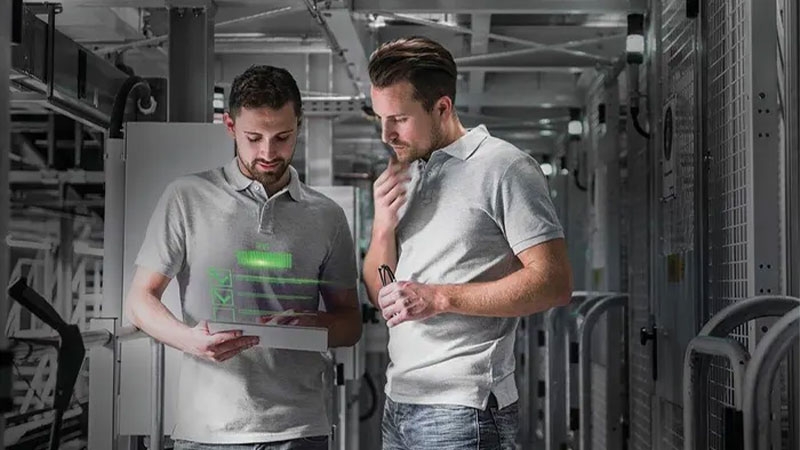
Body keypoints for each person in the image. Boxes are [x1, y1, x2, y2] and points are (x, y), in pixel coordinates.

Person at [125, 65, 361, 450]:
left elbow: (350, 324)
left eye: (282, 137)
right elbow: (140, 300)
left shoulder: (327, 216)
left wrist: (315, 323)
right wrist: (189, 341)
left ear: (299, 126)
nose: (268, 153)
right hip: (207, 433)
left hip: (298, 431)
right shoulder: (186, 197)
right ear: (230, 126)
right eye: (254, 138)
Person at [362, 36, 574, 450]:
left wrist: (439, 298)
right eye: (380, 118)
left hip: (463, 409)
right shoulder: (409, 172)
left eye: (399, 119)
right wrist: (383, 227)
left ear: (442, 107)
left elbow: (554, 282)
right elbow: (378, 293)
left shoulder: (504, 167)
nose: (387, 134)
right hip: (399, 399)